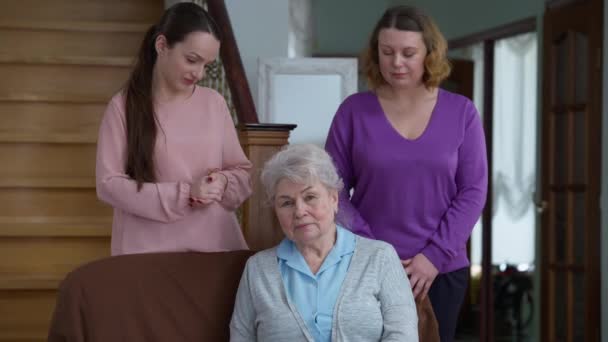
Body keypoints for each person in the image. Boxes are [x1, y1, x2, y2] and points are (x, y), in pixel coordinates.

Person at [325, 6, 488, 342]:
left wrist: (433, 257)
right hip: (367, 267)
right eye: (387, 52)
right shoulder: (353, 112)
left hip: (440, 271)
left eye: (408, 53)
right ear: (376, 54)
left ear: (429, 53)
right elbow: (333, 191)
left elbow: (473, 191)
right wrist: (373, 250)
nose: (396, 62)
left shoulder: (462, 112)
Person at [96, 3, 252, 255]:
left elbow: (242, 172)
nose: (199, 73)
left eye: (207, 65)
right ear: (162, 46)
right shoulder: (123, 106)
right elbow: (108, 184)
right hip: (147, 252)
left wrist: (223, 181)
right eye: (192, 60)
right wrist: (184, 193)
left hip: (215, 247)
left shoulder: (214, 102)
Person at [229, 144, 418, 341]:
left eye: (310, 197)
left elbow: (403, 335)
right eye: (286, 202)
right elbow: (241, 337)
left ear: (334, 199)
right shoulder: (257, 269)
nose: (300, 211)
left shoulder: (380, 257)